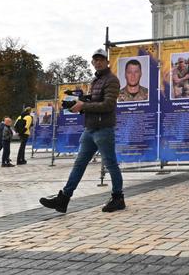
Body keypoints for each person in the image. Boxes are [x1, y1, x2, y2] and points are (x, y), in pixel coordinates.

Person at [40, 49, 125, 213]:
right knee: (79, 163)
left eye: (101, 59)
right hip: (90, 128)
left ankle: (118, 197)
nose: (98, 62)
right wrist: (78, 106)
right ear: (92, 62)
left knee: (111, 163)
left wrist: (83, 105)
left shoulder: (112, 80)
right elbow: (94, 101)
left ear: (107, 62)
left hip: (104, 129)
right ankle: (64, 198)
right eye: (95, 60)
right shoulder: (95, 80)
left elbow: (108, 105)